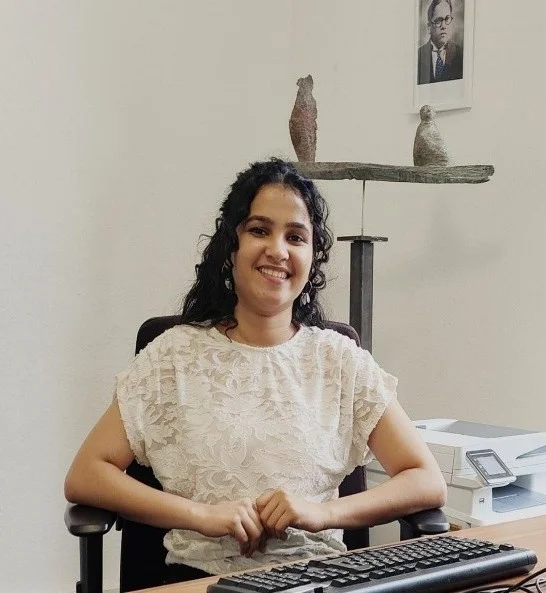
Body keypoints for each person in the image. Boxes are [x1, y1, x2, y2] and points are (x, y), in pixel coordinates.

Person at [64, 158, 446, 584]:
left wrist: (323, 513)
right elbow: (86, 474)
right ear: (231, 247)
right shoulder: (173, 356)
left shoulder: (340, 361)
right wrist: (202, 515)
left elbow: (426, 479)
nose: (278, 251)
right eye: (259, 230)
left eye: (295, 237)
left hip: (317, 580)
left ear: (312, 258)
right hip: (200, 581)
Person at [417, 0, 464, 85]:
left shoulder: (461, 54)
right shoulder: (418, 55)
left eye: (447, 19)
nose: (443, 26)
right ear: (429, 27)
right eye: (438, 20)